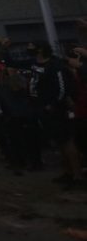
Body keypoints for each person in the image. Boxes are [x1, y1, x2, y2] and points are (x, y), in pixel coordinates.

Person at [32, 43, 83, 188]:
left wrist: (53, 104)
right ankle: (68, 173)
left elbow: (62, 89)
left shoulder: (56, 66)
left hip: (58, 109)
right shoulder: (39, 65)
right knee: (60, 142)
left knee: (67, 142)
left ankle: (78, 176)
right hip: (47, 109)